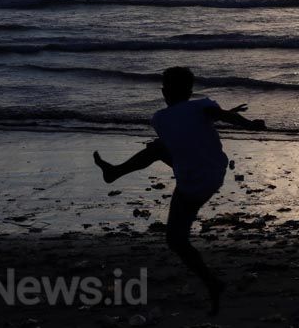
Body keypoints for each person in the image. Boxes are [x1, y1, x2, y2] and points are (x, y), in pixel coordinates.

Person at [93, 66, 265, 315]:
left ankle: (212, 284)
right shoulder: (202, 106)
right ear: (190, 90)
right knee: (158, 148)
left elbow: (183, 129)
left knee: (176, 240)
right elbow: (215, 117)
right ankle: (115, 172)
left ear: (164, 92)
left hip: (191, 185)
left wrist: (223, 115)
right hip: (214, 173)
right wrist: (249, 124)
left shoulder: (159, 119)